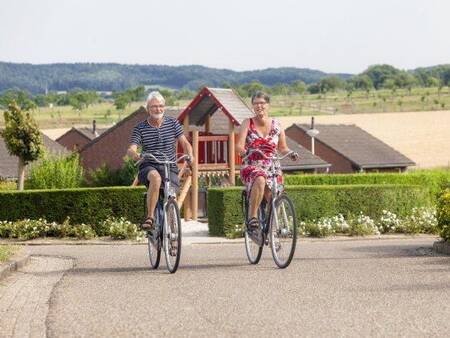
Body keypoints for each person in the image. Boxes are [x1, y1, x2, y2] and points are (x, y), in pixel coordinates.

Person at [127, 91, 193, 230]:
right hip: (148, 165)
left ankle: (171, 231)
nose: (158, 109)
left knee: (171, 196)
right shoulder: (140, 128)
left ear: (164, 107)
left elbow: (185, 143)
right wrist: (135, 154)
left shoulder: (173, 123)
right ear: (148, 109)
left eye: (160, 106)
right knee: (156, 179)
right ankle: (150, 218)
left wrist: (190, 155)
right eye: (154, 106)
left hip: (169, 166)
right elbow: (131, 148)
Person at [236, 91, 299, 233]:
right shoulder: (248, 123)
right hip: (252, 164)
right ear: (253, 106)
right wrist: (245, 152)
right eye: (256, 103)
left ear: (268, 105)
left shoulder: (277, 124)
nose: (259, 106)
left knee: (274, 195)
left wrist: (291, 154)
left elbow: (282, 148)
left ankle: (271, 229)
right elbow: (239, 146)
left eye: (262, 103)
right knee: (259, 178)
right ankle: (252, 217)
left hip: (272, 165)